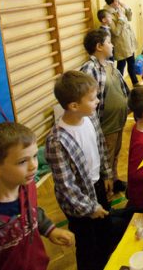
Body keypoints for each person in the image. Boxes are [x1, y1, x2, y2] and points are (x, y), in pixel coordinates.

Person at [0, 123, 75, 270]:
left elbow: (32, 211)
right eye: (22, 161)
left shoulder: (27, 186)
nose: (34, 166)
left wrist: (49, 229)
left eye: (34, 156)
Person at [46, 71, 116, 270]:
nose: (97, 101)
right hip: (79, 203)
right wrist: (90, 208)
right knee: (87, 245)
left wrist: (106, 174)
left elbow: (100, 146)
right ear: (74, 106)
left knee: (104, 232)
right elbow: (66, 187)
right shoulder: (57, 140)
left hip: (97, 186)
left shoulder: (91, 118)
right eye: (92, 99)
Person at [80, 29, 130, 193]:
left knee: (115, 154)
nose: (112, 45)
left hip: (117, 122)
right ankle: (105, 189)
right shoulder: (89, 69)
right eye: (109, 42)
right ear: (99, 46)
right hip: (105, 125)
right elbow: (87, 100)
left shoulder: (110, 66)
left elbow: (122, 90)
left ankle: (114, 180)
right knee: (105, 157)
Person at [104, 0, 140, 86]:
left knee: (131, 63)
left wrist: (127, 8)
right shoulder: (108, 15)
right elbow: (116, 32)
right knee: (121, 66)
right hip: (120, 44)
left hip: (128, 41)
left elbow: (129, 18)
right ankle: (119, 86)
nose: (119, 2)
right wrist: (120, 19)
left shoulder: (119, 8)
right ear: (111, 3)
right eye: (117, 1)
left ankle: (135, 82)